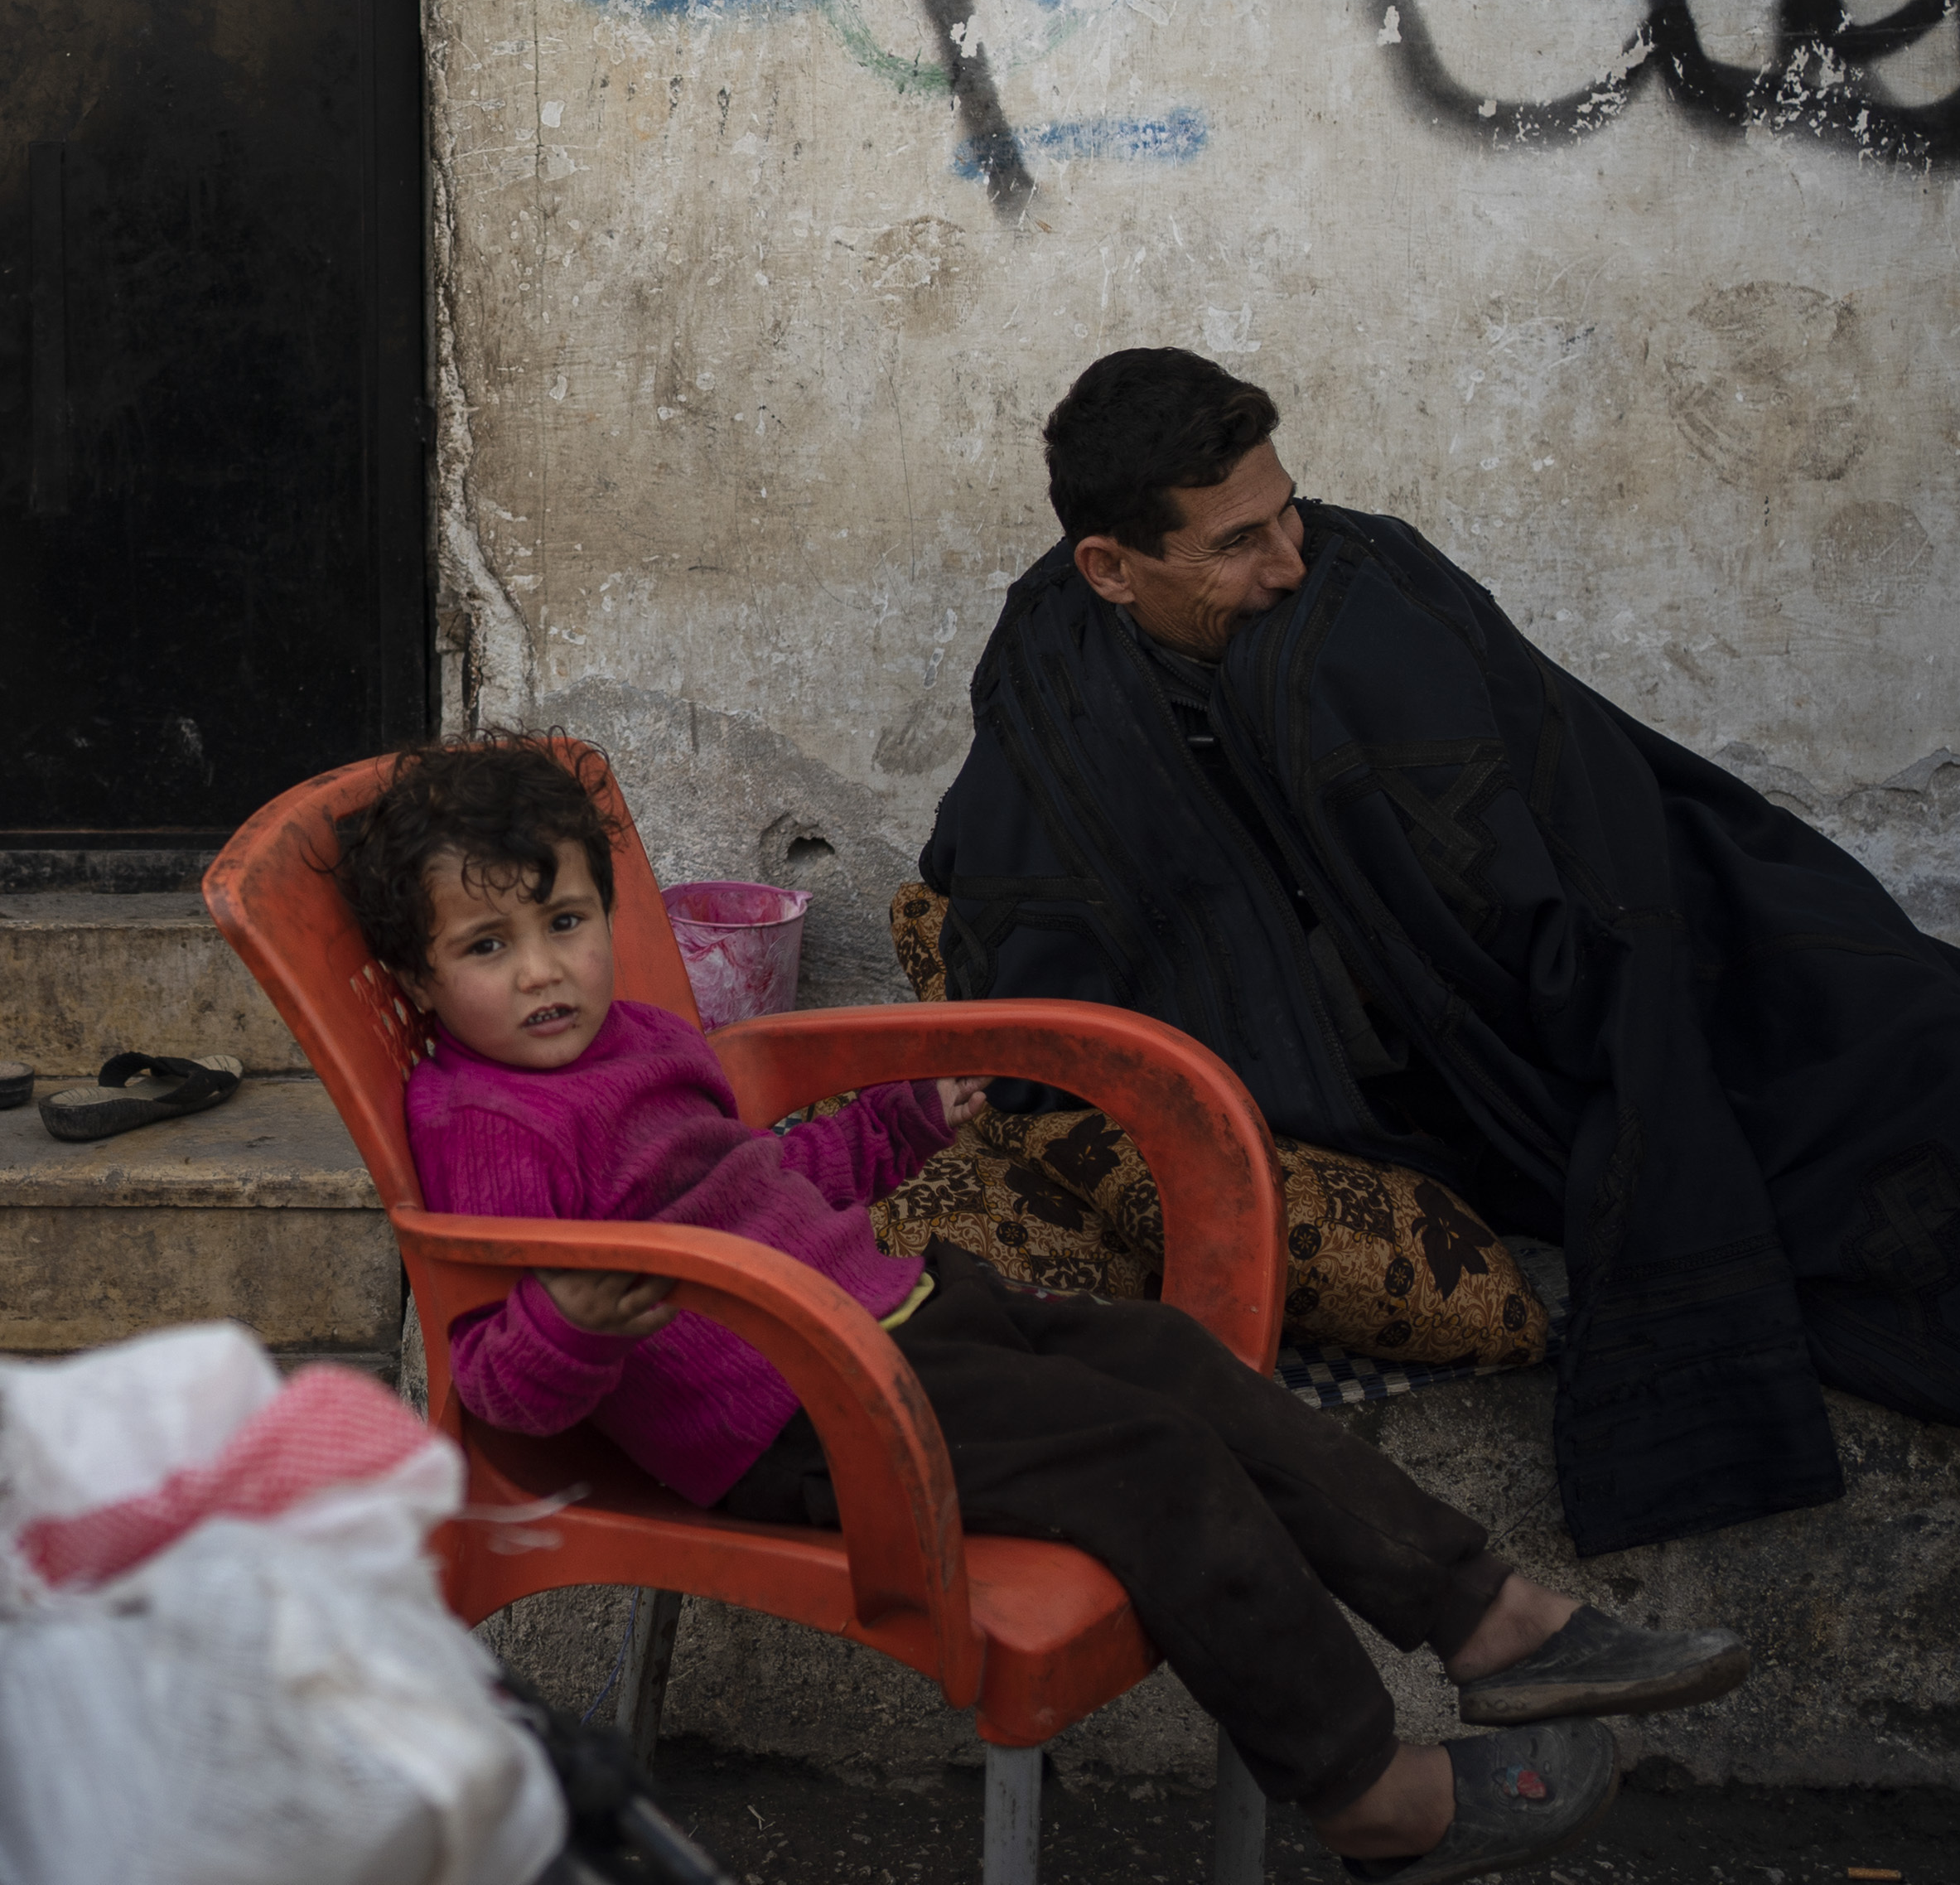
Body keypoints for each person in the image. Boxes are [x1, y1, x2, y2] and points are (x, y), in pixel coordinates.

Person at [347, 741, 1750, 1885]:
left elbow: (757, 1183)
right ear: (418, 980)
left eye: (567, 921)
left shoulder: (645, 1038)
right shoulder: (484, 1119)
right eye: (488, 943)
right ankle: (1368, 1792)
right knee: (1150, 1457)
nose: (543, 969)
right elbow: (504, 1391)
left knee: (1166, 1356)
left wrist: (897, 1126)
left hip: (895, 1318)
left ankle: (1488, 1613)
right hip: (800, 1413)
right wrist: (584, 1311)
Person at [924, 347, 1960, 1557]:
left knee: (1955, 1033)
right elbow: (1022, 890)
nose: (1286, 560)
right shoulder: (1057, 686)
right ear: (1110, 567)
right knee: (1953, 1126)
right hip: (1478, 1067)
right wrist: (1006, 1044)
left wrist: (1616, 981)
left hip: (1626, 938)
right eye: (1235, 543)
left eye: (1287, 512)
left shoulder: (1363, 581)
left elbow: (1552, 776)